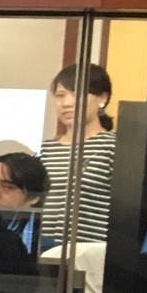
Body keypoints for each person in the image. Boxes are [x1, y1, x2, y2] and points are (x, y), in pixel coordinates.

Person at [38, 61, 117, 242]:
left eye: (77, 94)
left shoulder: (114, 146)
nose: (66, 103)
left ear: (102, 98)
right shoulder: (44, 150)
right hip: (43, 252)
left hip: (90, 251)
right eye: (60, 95)